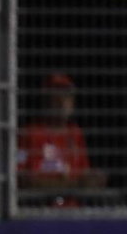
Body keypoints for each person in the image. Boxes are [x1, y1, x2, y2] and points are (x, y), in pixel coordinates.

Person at [17, 73, 107, 207]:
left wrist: (95, 179)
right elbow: (20, 178)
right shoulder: (28, 133)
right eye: (56, 95)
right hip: (39, 212)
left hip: (73, 213)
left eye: (67, 95)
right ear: (45, 100)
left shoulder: (75, 133)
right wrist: (72, 185)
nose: (62, 101)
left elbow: (84, 175)